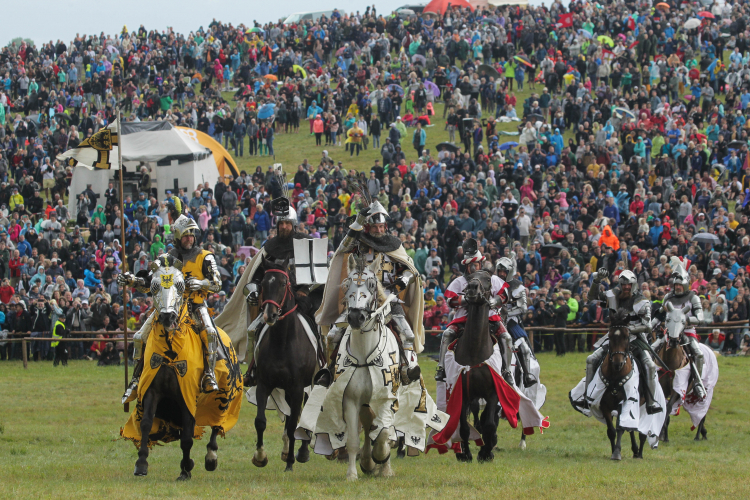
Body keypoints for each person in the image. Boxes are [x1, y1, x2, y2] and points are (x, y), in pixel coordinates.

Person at [119, 199, 222, 402]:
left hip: (195, 306)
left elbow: (217, 284)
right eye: (185, 235)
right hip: (168, 306)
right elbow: (149, 281)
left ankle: (209, 374)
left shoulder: (205, 257)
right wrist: (133, 279)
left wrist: (201, 284)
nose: (189, 238)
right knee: (139, 337)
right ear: (178, 236)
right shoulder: (166, 258)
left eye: (192, 234)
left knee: (210, 333)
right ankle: (136, 379)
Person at [316, 195, 423, 387]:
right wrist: (357, 223)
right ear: (368, 227)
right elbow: (342, 248)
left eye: (381, 227)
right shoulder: (359, 243)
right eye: (375, 227)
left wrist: (403, 280)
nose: (379, 230)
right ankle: (329, 369)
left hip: (388, 298)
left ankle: (407, 369)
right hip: (361, 298)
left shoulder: (395, 244)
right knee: (333, 335)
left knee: (407, 334)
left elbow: (409, 268)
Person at [224, 186, 318, 387]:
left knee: (319, 321)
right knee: (255, 328)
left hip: (301, 297)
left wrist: (305, 290)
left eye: (286, 223)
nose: (283, 227)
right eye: (280, 223)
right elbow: (257, 275)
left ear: (293, 224)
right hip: (276, 299)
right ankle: (253, 368)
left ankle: (323, 364)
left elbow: (316, 272)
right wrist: (255, 290)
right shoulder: (270, 247)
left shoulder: (306, 242)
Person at [435, 239, 513, 384]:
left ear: (480, 264)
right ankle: (441, 368)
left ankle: (507, 370)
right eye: (470, 265)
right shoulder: (459, 282)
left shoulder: (492, 279)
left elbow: (505, 295)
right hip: (464, 318)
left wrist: (494, 301)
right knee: (447, 334)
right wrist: (465, 300)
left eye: (475, 264)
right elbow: (450, 301)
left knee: (506, 338)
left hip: (489, 317)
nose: (473, 268)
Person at [584, 268, 661, 414]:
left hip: (636, 339)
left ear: (633, 285)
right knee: (591, 359)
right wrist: (597, 280)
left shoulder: (642, 301)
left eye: (629, 285)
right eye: (624, 284)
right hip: (614, 338)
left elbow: (648, 326)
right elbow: (591, 297)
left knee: (650, 365)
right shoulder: (613, 295)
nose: (626, 287)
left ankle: (651, 402)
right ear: (620, 284)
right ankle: (587, 397)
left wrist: (628, 329)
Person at [650, 256, 707, 399]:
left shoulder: (693, 297)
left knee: (698, 354)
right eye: (676, 286)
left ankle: (697, 384)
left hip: (687, 332)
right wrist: (649, 326)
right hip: (669, 333)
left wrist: (687, 320)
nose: (678, 288)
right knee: (651, 349)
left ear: (686, 284)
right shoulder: (668, 297)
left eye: (680, 285)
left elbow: (701, 318)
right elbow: (660, 316)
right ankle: (647, 380)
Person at [496, 256, 537, 387]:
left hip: (511, 321)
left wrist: (506, 314)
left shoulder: (517, 286)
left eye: (504, 272)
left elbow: (523, 308)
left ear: (509, 272)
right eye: (500, 271)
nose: (502, 274)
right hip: (493, 319)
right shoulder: (492, 284)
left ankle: (527, 375)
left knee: (523, 347)